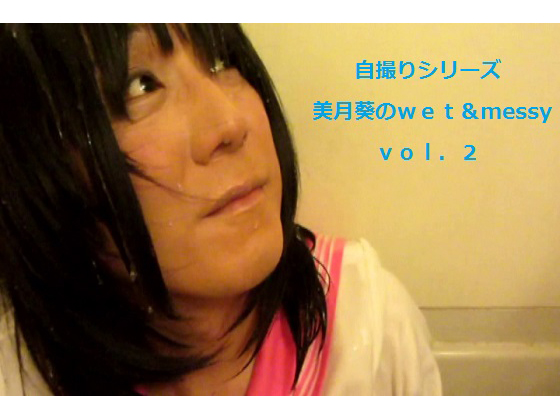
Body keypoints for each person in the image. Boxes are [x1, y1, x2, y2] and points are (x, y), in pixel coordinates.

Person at [0, 23, 441, 395]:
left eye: (220, 61)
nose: (231, 123)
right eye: (141, 85)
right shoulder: (19, 373)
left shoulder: (369, 331)